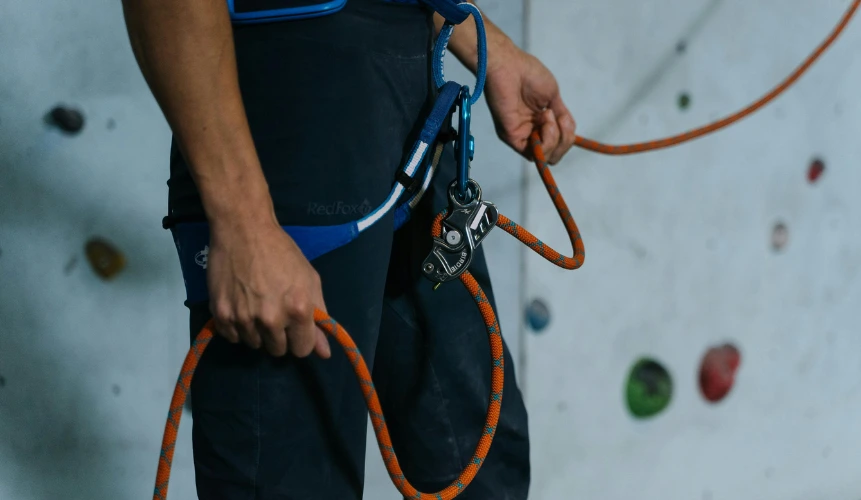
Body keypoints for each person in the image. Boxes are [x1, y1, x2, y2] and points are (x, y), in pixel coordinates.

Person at [121, 0, 576, 498]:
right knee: (294, 479)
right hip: (288, 117)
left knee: (477, 459)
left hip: (408, 91)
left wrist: (488, 44)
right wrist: (243, 221)